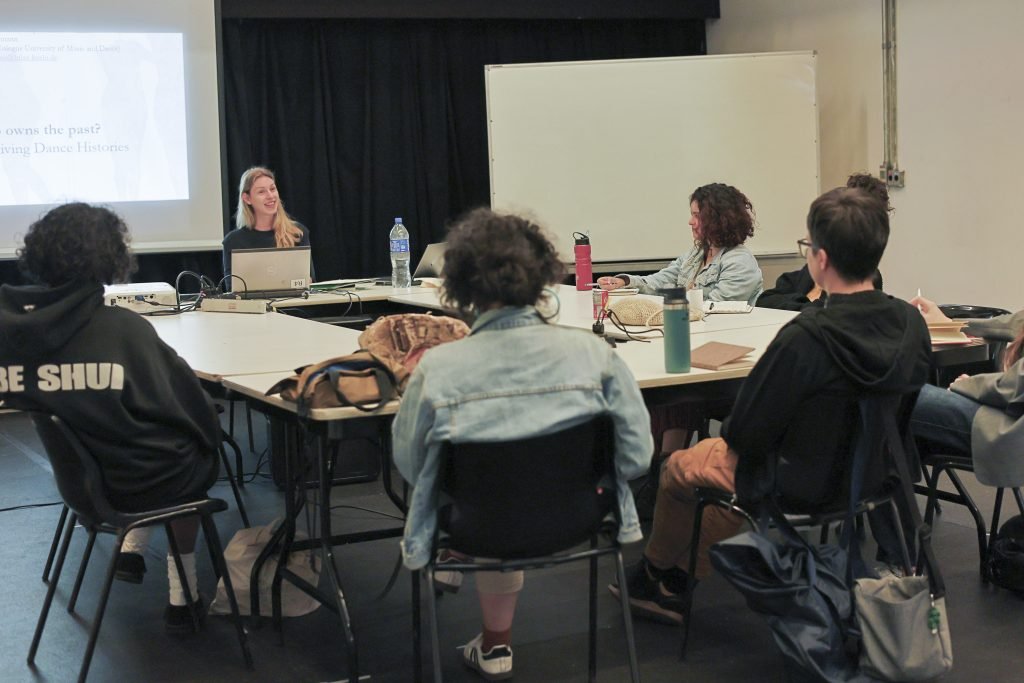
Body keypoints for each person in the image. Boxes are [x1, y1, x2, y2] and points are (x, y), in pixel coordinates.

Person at [609, 187, 931, 624]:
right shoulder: (912, 323)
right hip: (873, 475)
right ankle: (671, 579)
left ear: (819, 259)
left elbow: (743, 432)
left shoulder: (805, 337)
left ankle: (659, 578)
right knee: (718, 467)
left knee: (680, 468)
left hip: (795, 481)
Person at [391, 208, 653, 680]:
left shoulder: (438, 369)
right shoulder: (596, 355)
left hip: (477, 529)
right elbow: (637, 458)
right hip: (581, 522)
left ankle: (488, 633)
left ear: (461, 285)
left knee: (490, 497)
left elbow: (410, 466)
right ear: (541, 278)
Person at [0, 203, 222, 632]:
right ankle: (183, 595)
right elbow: (187, 407)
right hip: (146, 482)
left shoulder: (12, 336)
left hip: (81, 490)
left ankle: (133, 545)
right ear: (111, 255)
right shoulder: (124, 331)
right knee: (194, 451)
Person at [597, 183, 763, 304]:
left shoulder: (740, 262)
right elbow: (661, 282)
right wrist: (625, 282)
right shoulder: (698, 252)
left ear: (720, 220)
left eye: (698, 216)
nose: (691, 222)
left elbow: (713, 309)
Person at [911, 328, 1024, 487]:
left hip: (1010, 428)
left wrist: (966, 385)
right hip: (1011, 414)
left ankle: (879, 495)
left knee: (902, 396)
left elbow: (1014, 386)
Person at [758, 172, 887, 310]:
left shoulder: (865, 276)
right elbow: (766, 300)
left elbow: (827, 310)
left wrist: (802, 304)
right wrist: (806, 301)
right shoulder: (810, 269)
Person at [221, 166, 312, 285]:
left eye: (272, 189)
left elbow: (310, 280)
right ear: (247, 199)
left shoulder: (297, 232)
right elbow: (232, 288)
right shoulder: (233, 241)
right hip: (253, 304)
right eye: (261, 192)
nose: (270, 196)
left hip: (291, 303)